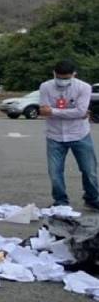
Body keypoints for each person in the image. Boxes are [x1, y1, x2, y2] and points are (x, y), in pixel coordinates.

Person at [38, 60, 98, 210]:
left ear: (73, 75)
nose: (62, 81)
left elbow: (81, 111)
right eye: (59, 77)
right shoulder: (45, 87)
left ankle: (92, 198)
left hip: (79, 134)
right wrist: (74, 113)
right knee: (55, 171)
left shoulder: (83, 87)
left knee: (88, 169)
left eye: (66, 78)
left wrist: (53, 111)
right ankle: (60, 201)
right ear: (54, 73)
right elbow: (44, 111)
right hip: (55, 136)